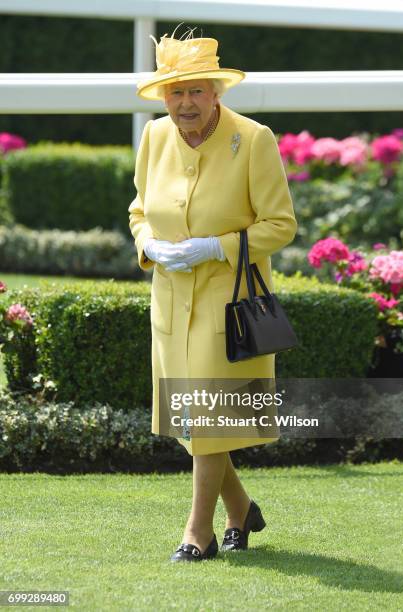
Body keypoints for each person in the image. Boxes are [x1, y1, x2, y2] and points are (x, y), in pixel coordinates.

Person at [128, 25, 298, 562]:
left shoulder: (252, 139)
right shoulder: (154, 137)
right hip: (170, 300)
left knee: (206, 417)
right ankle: (241, 510)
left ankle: (196, 532)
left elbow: (281, 225)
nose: (185, 102)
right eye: (175, 92)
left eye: (196, 90)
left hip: (230, 304)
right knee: (195, 420)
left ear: (216, 92)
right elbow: (137, 209)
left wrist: (214, 247)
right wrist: (149, 245)